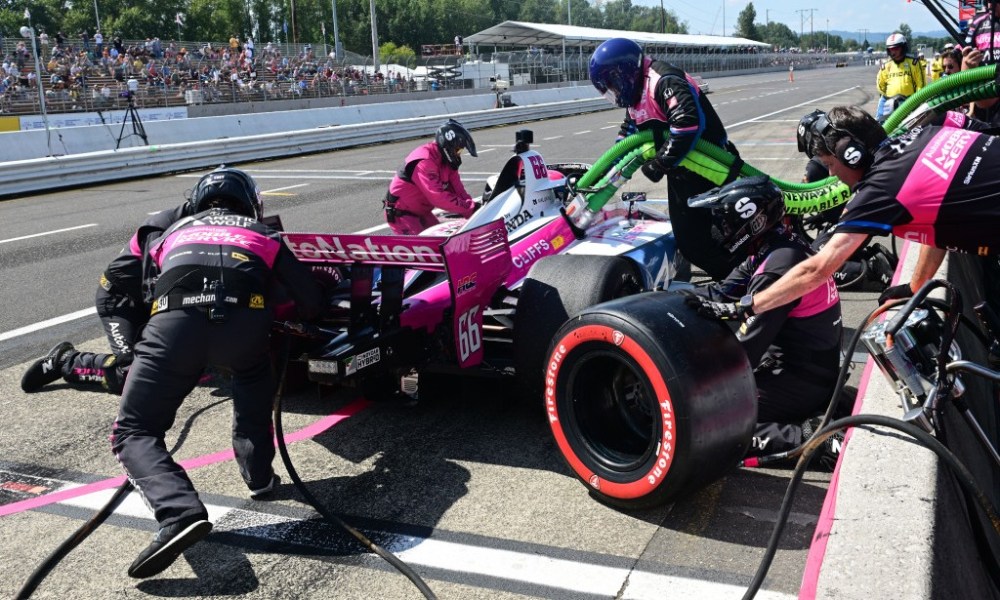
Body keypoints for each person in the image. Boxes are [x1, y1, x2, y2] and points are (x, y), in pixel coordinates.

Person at [111, 168, 324, 578]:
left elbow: (138, 289)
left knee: (134, 431)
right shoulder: (264, 233)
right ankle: (260, 478)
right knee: (252, 375)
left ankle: (178, 512)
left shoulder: (169, 230)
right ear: (251, 203)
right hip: (244, 328)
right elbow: (310, 300)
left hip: (175, 324)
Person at [707, 105, 1000, 321]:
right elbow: (939, 225)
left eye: (830, 164)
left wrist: (745, 305)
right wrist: (915, 286)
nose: (833, 175)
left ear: (851, 153)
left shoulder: (879, 188)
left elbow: (818, 268)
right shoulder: (925, 135)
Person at [681, 177, 845, 467]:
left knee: (704, 425)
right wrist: (664, 299)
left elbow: (744, 349)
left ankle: (812, 441)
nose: (719, 230)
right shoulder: (777, 246)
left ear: (752, 221)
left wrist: (689, 375)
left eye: (725, 222)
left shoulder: (777, 267)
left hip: (803, 380)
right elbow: (718, 293)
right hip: (809, 369)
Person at [589, 37, 742, 281]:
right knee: (690, 242)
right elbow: (629, 132)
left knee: (725, 235)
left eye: (613, 86)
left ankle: (742, 283)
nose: (614, 93)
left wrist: (660, 163)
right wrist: (606, 167)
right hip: (682, 172)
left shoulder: (663, 80)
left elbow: (687, 124)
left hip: (714, 167)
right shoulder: (636, 93)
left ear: (623, 73)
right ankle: (731, 281)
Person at [20, 200, 193, 394]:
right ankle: (66, 361)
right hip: (120, 300)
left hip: (147, 298)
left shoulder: (214, 225)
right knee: (130, 376)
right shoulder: (160, 226)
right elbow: (154, 291)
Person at [383, 119, 478, 235]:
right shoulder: (424, 160)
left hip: (423, 212)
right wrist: (469, 208)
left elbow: (459, 191)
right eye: (458, 150)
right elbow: (438, 197)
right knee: (425, 248)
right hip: (402, 214)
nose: (458, 154)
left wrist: (475, 212)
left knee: (443, 243)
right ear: (447, 145)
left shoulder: (448, 163)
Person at [876, 33, 924, 121]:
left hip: (909, 102)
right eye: (890, 49)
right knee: (880, 125)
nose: (893, 52)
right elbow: (880, 86)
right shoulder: (885, 66)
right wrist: (890, 97)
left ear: (903, 47)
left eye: (896, 48)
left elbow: (920, 85)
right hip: (889, 102)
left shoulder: (914, 63)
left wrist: (915, 101)